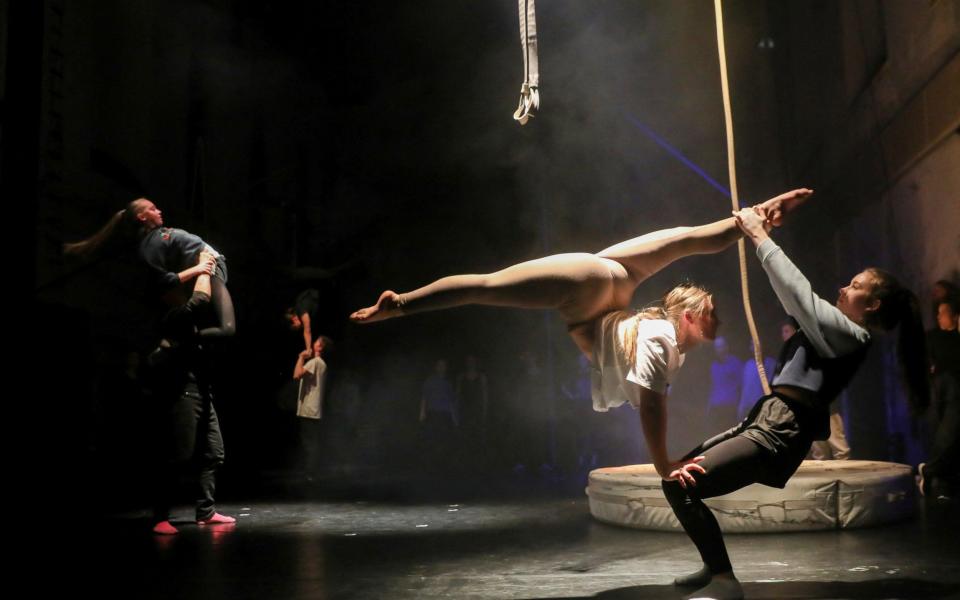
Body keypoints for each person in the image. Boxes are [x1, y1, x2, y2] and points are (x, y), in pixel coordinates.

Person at [660, 206, 930, 600]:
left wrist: (759, 237)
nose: (843, 288)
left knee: (685, 483)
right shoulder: (836, 331)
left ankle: (723, 580)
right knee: (677, 478)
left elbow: (798, 294)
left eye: (854, 286)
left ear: (872, 306)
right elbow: (794, 298)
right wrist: (762, 233)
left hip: (781, 429)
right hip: (769, 418)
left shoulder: (854, 336)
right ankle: (714, 567)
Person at [144, 253, 236, 535]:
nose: (181, 293)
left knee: (214, 453)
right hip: (184, 393)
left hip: (202, 392)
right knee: (180, 455)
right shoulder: (173, 317)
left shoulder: (185, 322)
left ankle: (205, 511)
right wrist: (204, 268)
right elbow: (199, 301)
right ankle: (160, 516)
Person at [64, 197, 235, 338]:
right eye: (152, 209)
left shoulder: (157, 237)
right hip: (209, 266)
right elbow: (163, 281)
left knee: (217, 328)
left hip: (209, 267)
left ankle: (179, 346)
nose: (159, 211)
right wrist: (199, 269)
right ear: (142, 217)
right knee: (226, 329)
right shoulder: (149, 245)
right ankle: (176, 348)